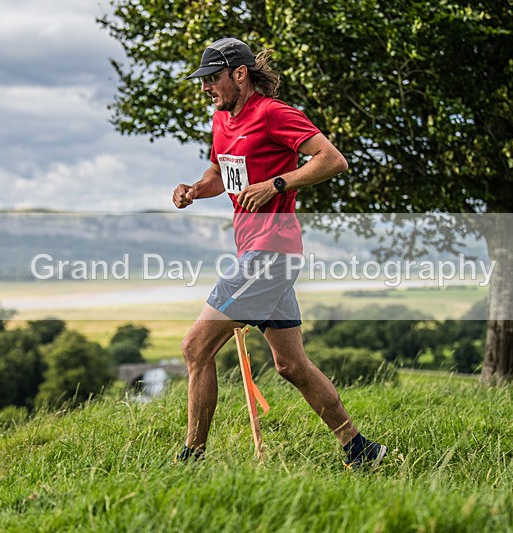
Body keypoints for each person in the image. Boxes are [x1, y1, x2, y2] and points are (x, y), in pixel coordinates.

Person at [172, 37, 386, 469]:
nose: (206, 89)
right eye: (203, 81)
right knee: (290, 364)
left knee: (195, 348)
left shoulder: (273, 114)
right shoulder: (221, 121)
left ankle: (191, 459)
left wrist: (278, 184)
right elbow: (220, 171)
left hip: (270, 254)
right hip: (258, 252)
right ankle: (359, 449)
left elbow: (332, 160)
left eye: (212, 79)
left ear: (239, 73)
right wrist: (196, 190)